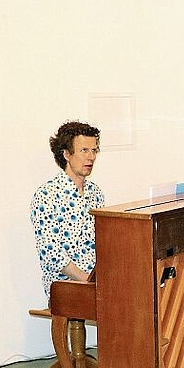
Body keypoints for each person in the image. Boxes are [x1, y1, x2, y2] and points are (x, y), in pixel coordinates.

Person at [31, 121, 104, 299]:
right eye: (84, 150)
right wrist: (88, 281)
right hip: (64, 285)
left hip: (95, 282)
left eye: (94, 150)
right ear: (66, 154)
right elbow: (52, 255)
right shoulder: (46, 195)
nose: (91, 157)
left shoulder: (96, 193)